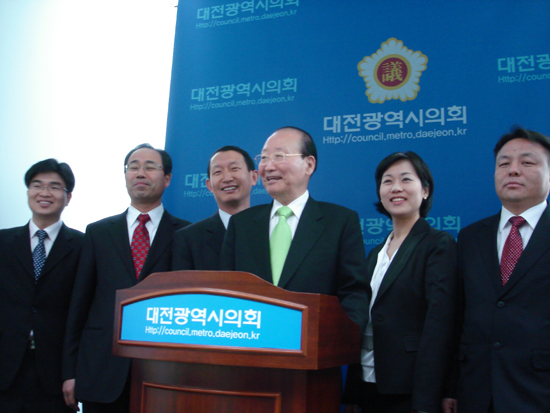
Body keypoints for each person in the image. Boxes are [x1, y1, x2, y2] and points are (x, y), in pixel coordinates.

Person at [62, 144, 190, 412]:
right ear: (125, 176)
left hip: (161, 373)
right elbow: (79, 305)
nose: (140, 173)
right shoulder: (98, 233)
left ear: (167, 178)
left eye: (150, 167)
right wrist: (70, 371)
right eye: (133, 167)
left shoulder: (186, 234)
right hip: (101, 370)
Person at [443, 128, 550, 413]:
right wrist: (451, 387)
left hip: (540, 390)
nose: (513, 170)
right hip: (476, 391)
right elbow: (459, 315)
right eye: (504, 163)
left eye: (527, 162)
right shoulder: (471, 237)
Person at [220, 126, 369, 330]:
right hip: (249, 342)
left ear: (309, 164)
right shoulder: (241, 224)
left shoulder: (340, 222)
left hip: (314, 343)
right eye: (264, 158)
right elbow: (225, 291)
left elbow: (354, 293)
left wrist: (341, 337)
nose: (268, 166)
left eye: (279, 156)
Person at [343, 152, 458, 413]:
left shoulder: (438, 245)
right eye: (387, 181)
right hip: (368, 386)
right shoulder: (375, 254)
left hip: (410, 389)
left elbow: (440, 326)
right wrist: (352, 393)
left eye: (406, 179)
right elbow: (361, 321)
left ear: (425, 190)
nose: (396, 188)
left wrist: (428, 398)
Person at [0, 159, 83, 413]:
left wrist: (73, 372)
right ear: (28, 192)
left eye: (54, 187)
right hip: (6, 368)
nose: (44, 193)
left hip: (55, 374)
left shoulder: (83, 246)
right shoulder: (3, 242)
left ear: (68, 197)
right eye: (37, 185)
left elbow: (83, 311)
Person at [172, 145, 258, 270]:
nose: (227, 178)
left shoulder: (272, 228)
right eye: (218, 172)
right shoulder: (189, 239)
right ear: (209, 185)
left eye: (234, 168)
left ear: (254, 177)